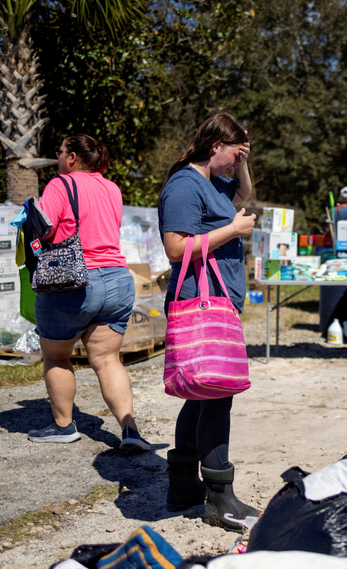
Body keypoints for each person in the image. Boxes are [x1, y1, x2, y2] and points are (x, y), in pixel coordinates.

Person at [158, 111, 260, 531]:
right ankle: (220, 497)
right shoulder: (184, 184)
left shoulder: (213, 182)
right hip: (200, 301)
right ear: (214, 146)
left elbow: (244, 193)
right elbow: (176, 249)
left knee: (202, 395)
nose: (237, 163)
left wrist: (245, 161)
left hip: (218, 300)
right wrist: (233, 231)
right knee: (218, 395)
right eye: (234, 153)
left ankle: (183, 486)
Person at [27, 135, 150, 452]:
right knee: (108, 359)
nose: (58, 157)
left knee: (57, 355)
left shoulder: (60, 184)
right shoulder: (112, 188)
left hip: (75, 279)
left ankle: (64, 426)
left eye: (60, 151)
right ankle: (130, 430)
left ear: (71, 158)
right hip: (118, 280)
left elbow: (45, 229)